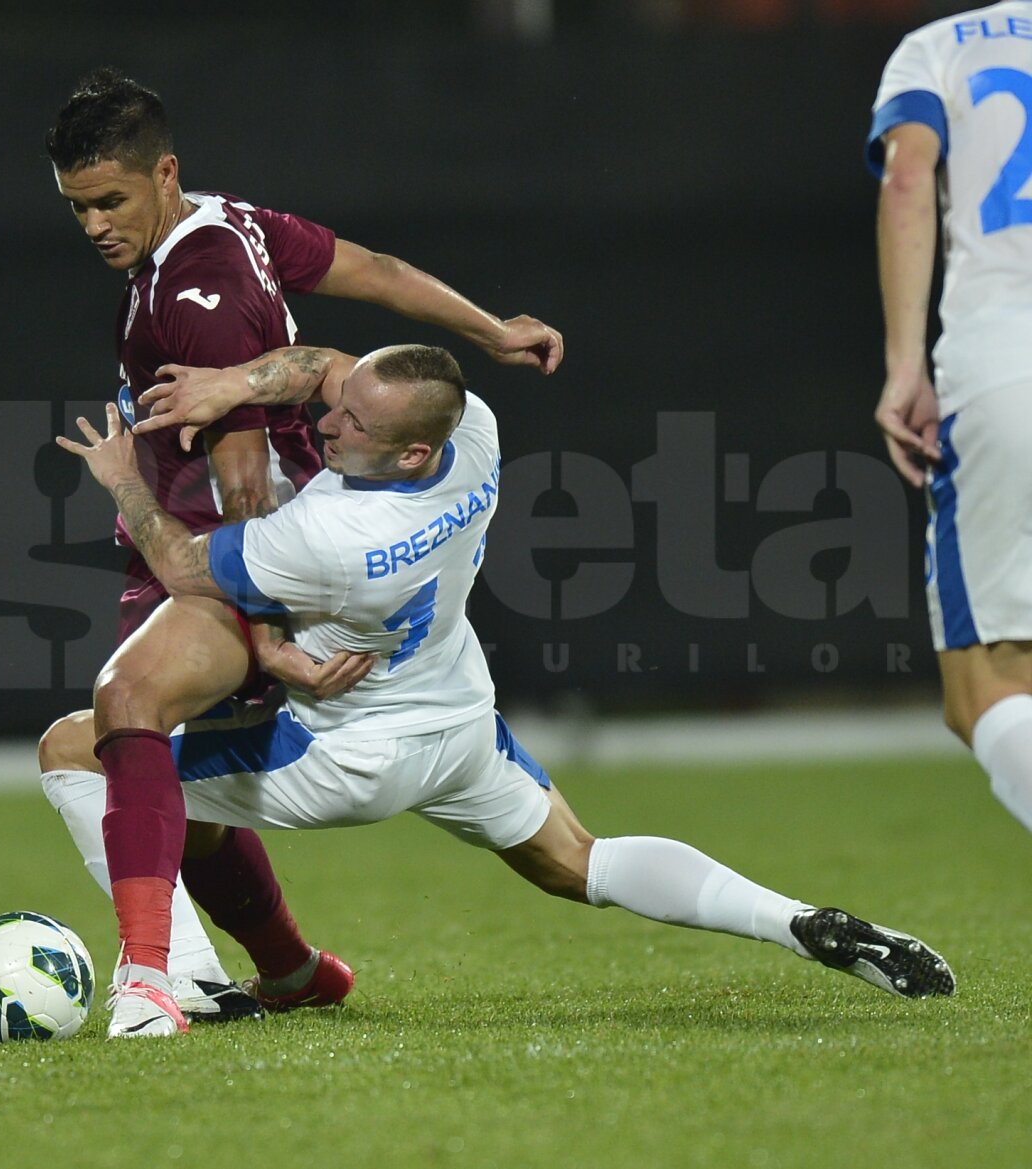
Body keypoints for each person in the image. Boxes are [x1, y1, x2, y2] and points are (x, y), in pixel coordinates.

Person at [58, 343, 956, 1038]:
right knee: (584, 862)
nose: (328, 425)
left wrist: (124, 480)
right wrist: (245, 381)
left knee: (82, 748)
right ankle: (799, 921)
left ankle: (157, 978)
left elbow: (181, 563)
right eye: (342, 409)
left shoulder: (333, 535)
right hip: (459, 724)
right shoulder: (472, 430)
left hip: (347, 754)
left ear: (411, 455)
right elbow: (331, 371)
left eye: (353, 428)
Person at [38, 68, 565, 1022]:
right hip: (224, 538)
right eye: (77, 207)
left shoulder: (197, 289)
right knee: (159, 761)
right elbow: (372, 269)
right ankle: (285, 970)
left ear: (164, 173)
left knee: (117, 726)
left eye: (109, 201)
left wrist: (268, 631)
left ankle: (158, 981)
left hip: (225, 549)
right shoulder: (227, 222)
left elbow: (242, 475)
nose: (94, 225)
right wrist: (489, 329)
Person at [868, 4, 1032, 837]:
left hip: (1009, 360)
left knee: (987, 690)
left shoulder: (939, 48)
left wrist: (906, 365)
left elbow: (907, 179)